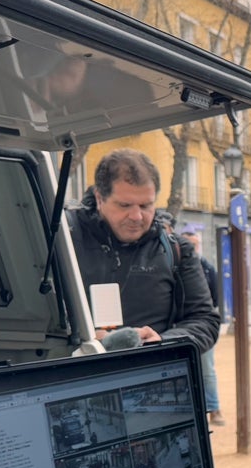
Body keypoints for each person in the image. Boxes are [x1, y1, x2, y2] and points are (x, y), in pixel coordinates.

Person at [68, 149, 219, 354]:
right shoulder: (63, 241)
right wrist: (80, 338)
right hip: (75, 378)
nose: (137, 216)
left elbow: (205, 320)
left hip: (150, 376)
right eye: (125, 205)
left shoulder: (177, 249)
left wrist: (161, 342)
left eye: (146, 205)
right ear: (99, 198)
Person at [181, 229, 225, 426]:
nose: (191, 247)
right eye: (188, 243)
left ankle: (214, 409)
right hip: (178, 325)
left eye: (194, 244)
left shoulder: (207, 268)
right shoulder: (173, 265)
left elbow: (215, 297)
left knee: (207, 369)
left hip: (200, 325)